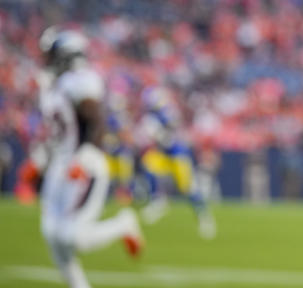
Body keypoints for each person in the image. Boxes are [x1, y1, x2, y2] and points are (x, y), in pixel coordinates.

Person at [36, 27, 144, 288]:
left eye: (52, 56)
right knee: (52, 233)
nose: (48, 62)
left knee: (74, 237)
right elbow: (57, 134)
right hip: (61, 165)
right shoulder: (56, 85)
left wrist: (83, 158)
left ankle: (124, 224)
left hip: (85, 165)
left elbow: (96, 120)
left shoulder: (80, 80)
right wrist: (41, 160)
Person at [136, 86, 216, 238]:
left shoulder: (167, 112)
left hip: (178, 155)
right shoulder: (152, 117)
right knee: (148, 163)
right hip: (164, 155)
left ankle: (204, 217)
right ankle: (158, 200)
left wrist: (158, 132)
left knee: (188, 189)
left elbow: (170, 131)